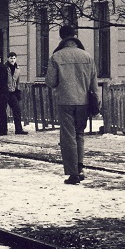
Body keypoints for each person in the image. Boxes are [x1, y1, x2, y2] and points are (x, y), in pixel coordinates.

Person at [45, 25, 98, 185]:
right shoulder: (87, 56)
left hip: (65, 101)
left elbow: (50, 81)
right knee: (79, 134)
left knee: (68, 136)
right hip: (84, 102)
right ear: (75, 36)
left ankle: (73, 173)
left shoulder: (56, 57)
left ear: (62, 38)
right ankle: (80, 167)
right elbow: (94, 84)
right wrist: (95, 101)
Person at [5, 52, 27, 134]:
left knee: (17, 109)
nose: (12, 60)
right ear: (8, 59)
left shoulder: (17, 68)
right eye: (11, 58)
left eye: (14, 58)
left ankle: (18, 129)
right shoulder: (5, 67)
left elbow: (18, 81)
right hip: (5, 91)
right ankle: (2, 129)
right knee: (3, 110)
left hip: (13, 92)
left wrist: (18, 90)